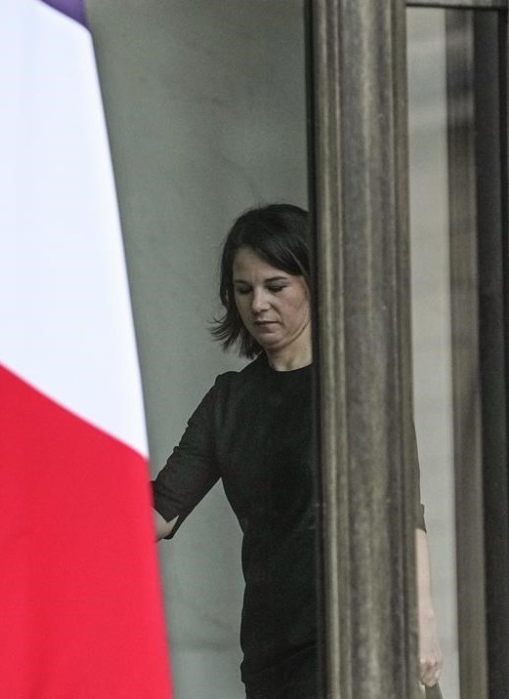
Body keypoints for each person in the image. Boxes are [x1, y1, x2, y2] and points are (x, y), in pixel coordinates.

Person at [151, 204, 443, 697]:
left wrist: (423, 621)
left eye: (276, 286)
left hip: (365, 640)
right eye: (244, 290)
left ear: (313, 282)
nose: (259, 305)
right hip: (273, 654)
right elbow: (161, 510)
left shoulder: (360, 384)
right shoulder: (230, 401)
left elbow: (403, 515)